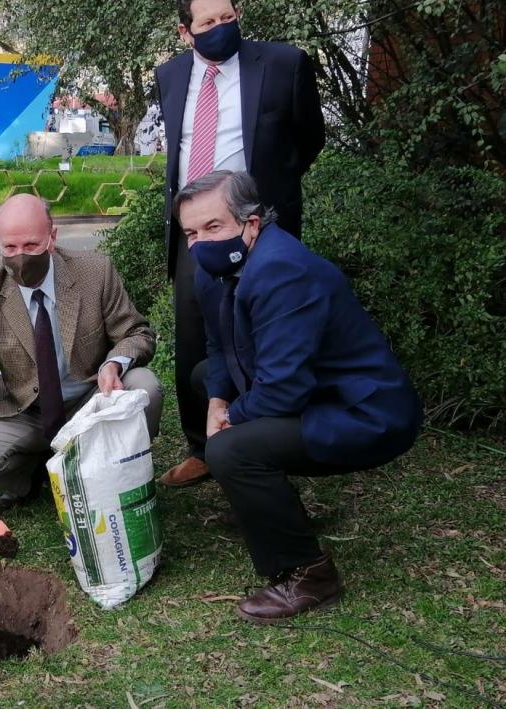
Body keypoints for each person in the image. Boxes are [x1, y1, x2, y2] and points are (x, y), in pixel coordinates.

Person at [174, 171, 422, 622]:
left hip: (365, 412)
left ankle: (309, 574)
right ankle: (268, 504)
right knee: (205, 377)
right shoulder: (215, 269)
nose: (199, 243)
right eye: (190, 233)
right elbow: (219, 346)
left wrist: (231, 419)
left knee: (230, 449)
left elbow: (283, 390)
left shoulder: (281, 270)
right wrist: (216, 402)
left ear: (252, 223)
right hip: (312, 391)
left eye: (213, 227)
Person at [155, 0, 325, 487]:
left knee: (261, 337)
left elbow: (308, 138)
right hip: (196, 232)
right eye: (207, 23)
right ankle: (202, 447)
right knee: (194, 336)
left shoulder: (282, 63)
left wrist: (268, 193)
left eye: (227, 18)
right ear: (185, 31)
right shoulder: (169, 76)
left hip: (258, 228)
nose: (220, 29)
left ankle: (263, 444)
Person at [0, 194, 163, 511]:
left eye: (31, 246)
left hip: (90, 400)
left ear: (52, 237)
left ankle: (115, 470)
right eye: (10, 248)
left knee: (146, 387)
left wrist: (113, 363)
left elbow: (136, 332)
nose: (20, 257)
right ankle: (30, 475)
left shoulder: (94, 271)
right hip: (27, 410)